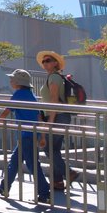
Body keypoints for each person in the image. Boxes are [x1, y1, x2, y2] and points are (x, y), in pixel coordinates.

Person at [0, 69, 51, 203]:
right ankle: (4, 187)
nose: (10, 81)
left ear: (18, 82)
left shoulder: (18, 95)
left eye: (12, 79)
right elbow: (39, 117)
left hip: (26, 135)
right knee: (14, 161)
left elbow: (6, 112)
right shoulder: (32, 96)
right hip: (32, 134)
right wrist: (42, 136)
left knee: (32, 164)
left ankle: (45, 193)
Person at [36, 50, 80, 190]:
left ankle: (69, 173)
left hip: (57, 116)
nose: (45, 63)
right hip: (61, 116)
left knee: (48, 148)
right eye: (43, 61)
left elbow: (54, 99)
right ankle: (57, 182)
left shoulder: (54, 78)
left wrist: (50, 121)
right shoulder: (54, 77)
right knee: (54, 149)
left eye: (48, 60)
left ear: (55, 63)